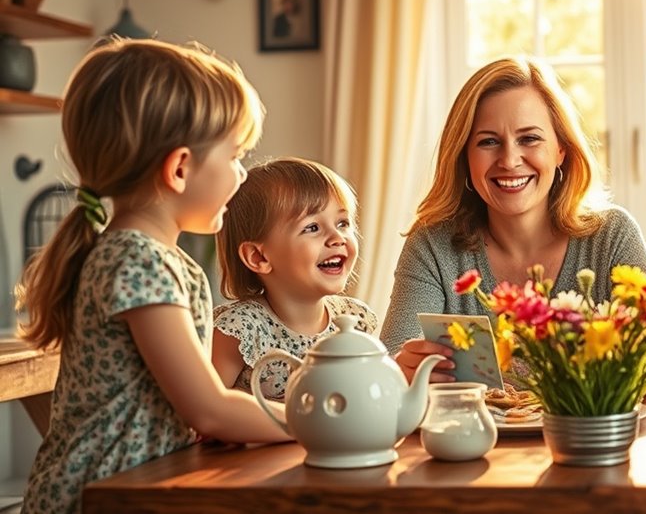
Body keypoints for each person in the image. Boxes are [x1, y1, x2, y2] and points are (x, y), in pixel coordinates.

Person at [14, 39, 291, 514]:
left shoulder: (153, 258)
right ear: (180, 168)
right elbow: (208, 408)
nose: (242, 175)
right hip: (100, 497)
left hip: (137, 485)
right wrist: (319, 423)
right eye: (235, 156)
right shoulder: (138, 260)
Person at [380, 56, 646, 385]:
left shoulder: (613, 236)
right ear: (464, 157)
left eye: (529, 139)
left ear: (561, 151)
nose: (509, 160)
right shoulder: (432, 245)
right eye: (488, 142)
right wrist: (401, 367)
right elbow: (393, 356)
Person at [212, 157, 378, 400]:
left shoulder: (357, 321)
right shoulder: (239, 330)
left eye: (342, 223)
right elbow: (206, 414)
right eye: (312, 227)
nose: (337, 238)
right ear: (258, 257)